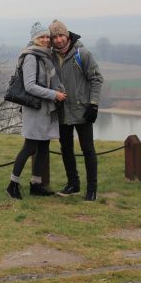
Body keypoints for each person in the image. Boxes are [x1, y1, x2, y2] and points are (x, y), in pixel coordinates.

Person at [6, 22, 67, 200]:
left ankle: (36, 184)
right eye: (42, 37)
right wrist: (54, 94)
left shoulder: (46, 56)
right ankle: (12, 185)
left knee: (44, 146)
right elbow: (30, 86)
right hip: (34, 109)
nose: (46, 40)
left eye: (47, 37)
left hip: (45, 109)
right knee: (30, 147)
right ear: (34, 39)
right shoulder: (31, 57)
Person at [49, 19, 103, 201]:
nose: (58, 40)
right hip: (62, 110)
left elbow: (96, 79)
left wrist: (93, 104)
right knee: (66, 149)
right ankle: (73, 184)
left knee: (88, 149)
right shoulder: (50, 56)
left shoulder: (82, 54)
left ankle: (92, 189)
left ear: (67, 35)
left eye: (61, 35)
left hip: (83, 110)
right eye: (54, 37)